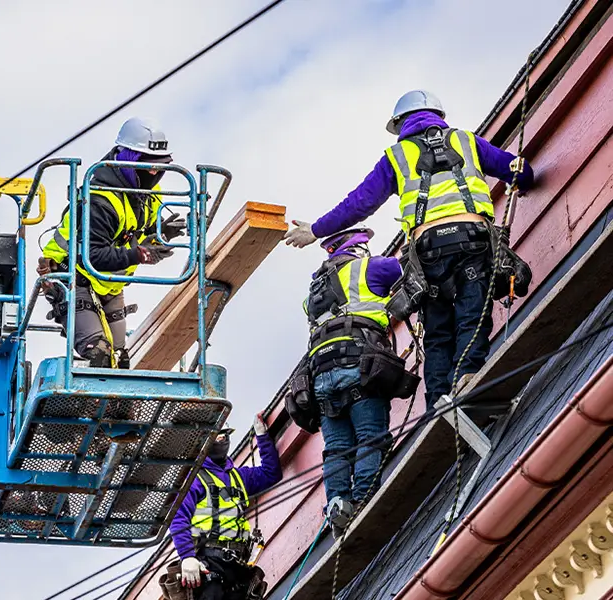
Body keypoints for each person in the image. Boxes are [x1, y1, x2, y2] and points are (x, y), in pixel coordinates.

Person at [284, 90, 535, 408]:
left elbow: (360, 203)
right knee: (474, 312)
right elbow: (518, 171)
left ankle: (438, 401)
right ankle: (469, 375)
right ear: (438, 116)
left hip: (428, 253)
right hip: (473, 240)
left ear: (400, 123)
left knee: (437, 328)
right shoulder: (466, 141)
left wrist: (315, 230)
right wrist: (524, 179)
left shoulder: (396, 157)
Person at [37, 117, 186, 368]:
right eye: (148, 166)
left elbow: (142, 232)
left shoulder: (146, 195)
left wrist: (164, 233)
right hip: (71, 277)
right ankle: (84, 404)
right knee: (100, 355)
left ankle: (113, 407)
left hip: (109, 285)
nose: (154, 173)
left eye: (160, 167)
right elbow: (94, 256)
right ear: (126, 159)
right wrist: (138, 255)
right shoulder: (100, 198)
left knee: (120, 362)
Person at [302, 228, 402, 538]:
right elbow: (404, 269)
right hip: (358, 365)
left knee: (336, 449)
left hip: (320, 375)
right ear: (357, 248)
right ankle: (362, 500)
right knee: (370, 435)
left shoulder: (312, 296)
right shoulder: (368, 267)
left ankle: (336, 504)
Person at [168, 414, 282, 600]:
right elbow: (178, 518)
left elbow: (271, 473)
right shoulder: (194, 479)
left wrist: (261, 436)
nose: (221, 441)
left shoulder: (238, 477)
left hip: (238, 566)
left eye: (224, 436)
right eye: (216, 437)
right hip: (210, 563)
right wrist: (187, 557)